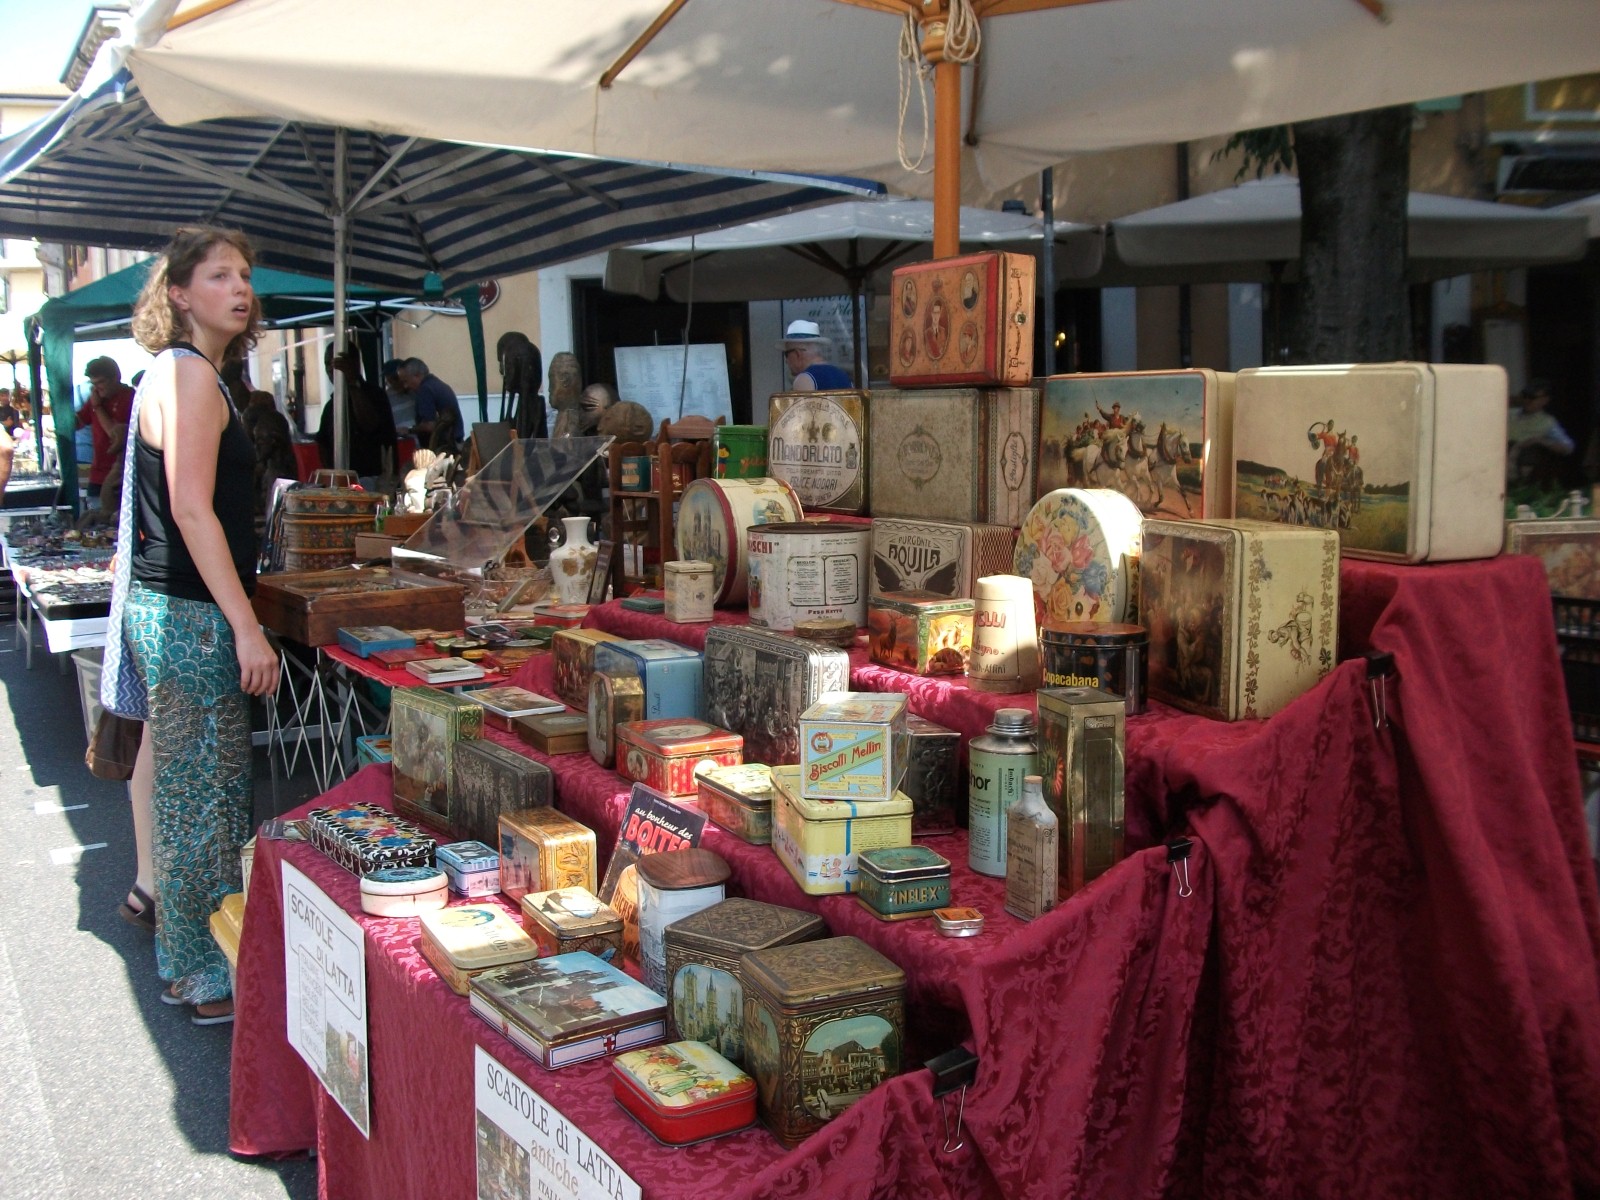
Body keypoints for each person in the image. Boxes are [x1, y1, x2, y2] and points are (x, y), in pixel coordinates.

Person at [121, 224, 279, 1026]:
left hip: (182, 611)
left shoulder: (192, 374)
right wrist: (246, 626)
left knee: (201, 794)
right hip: (191, 616)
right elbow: (190, 508)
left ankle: (198, 962)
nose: (239, 288)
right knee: (201, 802)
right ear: (179, 294)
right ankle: (199, 972)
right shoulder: (185, 373)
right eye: (219, 275)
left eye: (244, 275)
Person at [317, 340, 398, 489]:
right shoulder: (331, 405)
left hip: (374, 479)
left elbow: (370, 424)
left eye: (335, 363)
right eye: (327, 364)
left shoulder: (375, 395)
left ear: (354, 363)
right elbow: (322, 442)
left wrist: (352, 383)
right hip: (342, 483)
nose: (330, 369)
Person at [78, 357, 135, 501]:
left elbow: (115, 435)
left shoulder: (130, 398)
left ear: (116, 378)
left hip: (121, 474)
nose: (97, 388)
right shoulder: (96, 398)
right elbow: (78, 422)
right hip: (97, 475)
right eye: (93, 384)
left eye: (101, 382)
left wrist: (97, 407)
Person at [1508, 378, 1574, 485]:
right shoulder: (1508, 414)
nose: (1527, 401)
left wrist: (1540, 441)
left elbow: (1568, 447)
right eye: (1525, 396)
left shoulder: (1548, 422)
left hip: (1523, 471)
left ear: (1545, 400)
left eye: (1532, 397)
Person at [399, 357, 462, 451]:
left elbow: (429, 426)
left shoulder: (425, 390)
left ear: (417, 375)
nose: (405, 386)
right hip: (455, 443)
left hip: (443, 447)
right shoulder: (437, 384)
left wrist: (409, 430)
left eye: (406, 381)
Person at [779, 319, 851, 391]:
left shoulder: (804, 380)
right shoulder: (843, 375)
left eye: (786, 354)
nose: (786, 361)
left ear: (798, 354)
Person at [382, 357, 415, 431]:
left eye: (394, 379)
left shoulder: (415, 391)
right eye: (389, 380)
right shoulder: (385, 397)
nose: (390, 383)